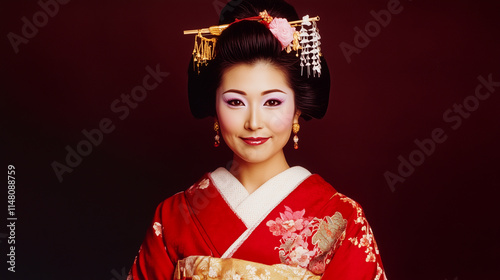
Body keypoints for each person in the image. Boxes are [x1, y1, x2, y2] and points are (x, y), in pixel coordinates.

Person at [129, 0, 386, 279]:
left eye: (272, 101)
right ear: (214, 106)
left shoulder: (341, 218)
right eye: (235, 102)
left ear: (297, 107)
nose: (253, 122)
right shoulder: (173, 217)